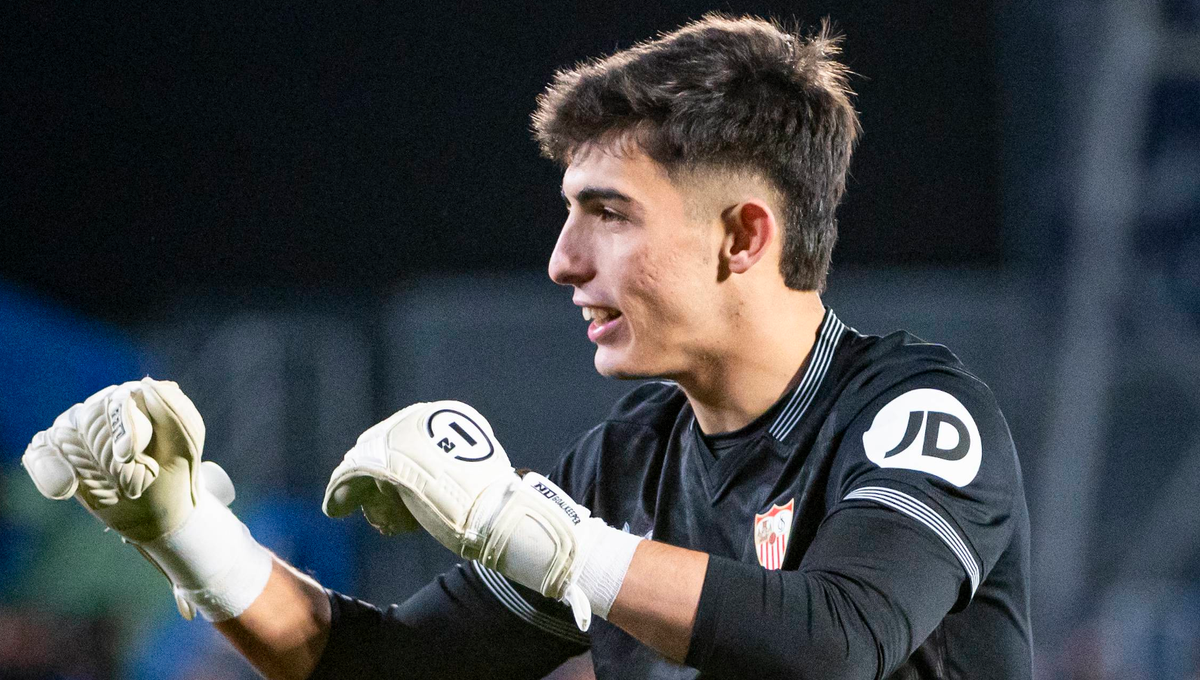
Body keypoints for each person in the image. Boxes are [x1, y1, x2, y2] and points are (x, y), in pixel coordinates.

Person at [20, 14, 1032, 680]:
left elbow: (841, 639)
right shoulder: (623, 466)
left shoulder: (917, 413)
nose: (562, 260)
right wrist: (185, 527)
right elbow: (386, 668)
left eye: (610, 213)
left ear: (742, 236)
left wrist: (545, 536)